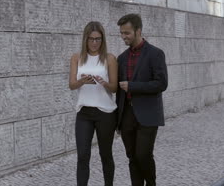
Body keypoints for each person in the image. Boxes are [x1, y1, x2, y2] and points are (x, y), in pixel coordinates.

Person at [116, 14, 168, 186]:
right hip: (127, 115)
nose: (124, 36)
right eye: (122, 33)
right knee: (132, 157)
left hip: (148, 114)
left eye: (127, 33)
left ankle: (151, 184)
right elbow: (118, 91)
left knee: (143, 155)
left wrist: (133, 86)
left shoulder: (156, 54)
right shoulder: (121, 58)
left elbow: (161, 84)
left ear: (138, 30)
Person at [69, 21, 118, 186]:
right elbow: (71, 85)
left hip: (105, 113)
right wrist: (82, 81)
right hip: (84, 113)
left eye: (98, 39)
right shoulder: (77, 58)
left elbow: (114, 88)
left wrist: (103, 82)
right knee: (83, 155)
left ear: (103, 39)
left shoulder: (109, 58)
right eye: (91, 39)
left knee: (105, 154)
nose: (95, 43)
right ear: (85, 39)